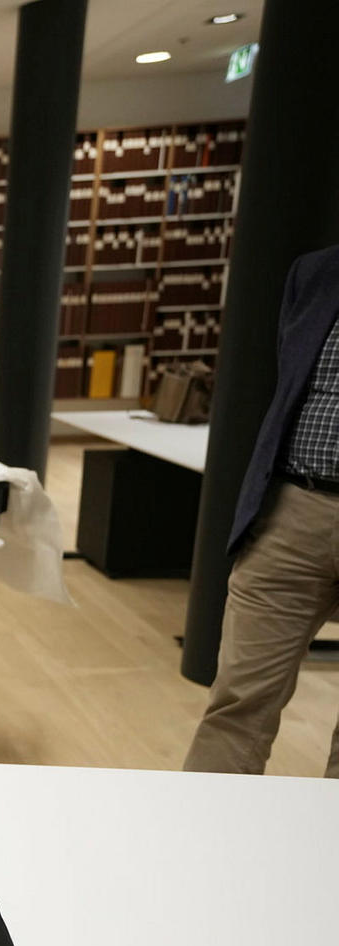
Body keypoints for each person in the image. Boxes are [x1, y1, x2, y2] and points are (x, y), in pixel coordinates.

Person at [184, 243, 339, 777]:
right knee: (238, 701)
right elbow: (289, 381)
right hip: (291, 513)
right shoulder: (316, 271)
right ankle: (201, 842)